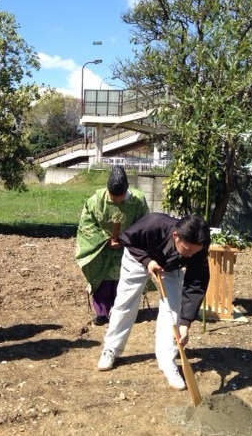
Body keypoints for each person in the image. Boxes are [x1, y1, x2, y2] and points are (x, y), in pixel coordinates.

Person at [97, 213, 210, 391]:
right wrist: (148, 261)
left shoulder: (199, 247)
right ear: (176, 236)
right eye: (186, 250)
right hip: (138, 257)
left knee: (173, 311)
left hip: (170, 266)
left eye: (193, 252)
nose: (189, 255)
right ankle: (111, 349)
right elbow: (129, 240)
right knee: (125, 303)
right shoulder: (154, 223)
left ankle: (167, 362)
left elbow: (195, 283)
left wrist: (186, 323)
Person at [75, 166, 149, 325]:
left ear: (127, 189)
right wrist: (106, 240)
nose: (117, 200)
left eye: (120, 197)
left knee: (126, 281)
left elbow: (145, 224)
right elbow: (86, 225)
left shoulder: (138, 200)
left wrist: (126, 239)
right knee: (103, 282)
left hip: (128, 248)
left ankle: (122, 313)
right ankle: (101, 313)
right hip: (102, 248)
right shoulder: (95, 201)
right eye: (113, 196)